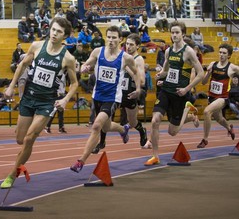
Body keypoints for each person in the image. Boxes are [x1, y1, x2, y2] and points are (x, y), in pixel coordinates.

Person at [0, 17, 78, 189]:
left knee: (29, 139)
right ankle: (25, 148)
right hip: (28, 98)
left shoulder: (68, 58)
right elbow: (21, 66)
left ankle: (12, 174)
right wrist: (11, 86)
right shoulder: (36, 46)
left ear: (64, 36)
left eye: (59, 32)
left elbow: (74, 83)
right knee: (20, 139)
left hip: (47, 103)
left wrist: (65, 99)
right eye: (54, 29)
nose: (55, 34)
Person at [70, 26, 141, 173]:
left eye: (114, 37)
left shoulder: (125, 58)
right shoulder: (98, 51)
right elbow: (87, 63)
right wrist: (84, 67)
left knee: (96, 126)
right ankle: (123, 129)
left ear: (120, 39)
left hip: (113, 98)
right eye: (109, 37)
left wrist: (138, 89)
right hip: (97, 96)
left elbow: (136, 73)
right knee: (106, 127)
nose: (111, 40)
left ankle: (81, 161)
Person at [144, 21, 204, 166]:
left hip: (179, 94)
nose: (174, 35)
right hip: (166, 91)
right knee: (155, 120)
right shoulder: (168, 51)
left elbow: (201, 73)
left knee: (173, 131)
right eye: (172, 32)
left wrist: (187, 89)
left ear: (183, 34)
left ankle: (189, 114)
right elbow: (166, 70)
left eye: (177, 32)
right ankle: (155, 156)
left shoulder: (188, 51)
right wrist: (160, 76)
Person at [92, 34, 148, 154]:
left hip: (129, 94)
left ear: (137, 46)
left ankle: (142, 130)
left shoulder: (137, 59)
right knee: (105, 117)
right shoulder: (120, 56)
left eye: (131, 44)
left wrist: (126, 67)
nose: (128, 47)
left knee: (132, 122)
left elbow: (142, 80)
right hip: (116, 93)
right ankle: (101, 142)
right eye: (127, 44)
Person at [196, 43, 237, 148]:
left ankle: (205, 139)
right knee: (219, 118)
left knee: (207, 111)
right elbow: (204, 82)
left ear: (229, 55)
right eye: (220, 52)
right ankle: (229, 128)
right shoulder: (213, 64)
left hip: (223, 98)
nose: (221, 55)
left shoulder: (232, 67)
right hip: (212, 97)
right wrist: (209, 72)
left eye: (224, 53)